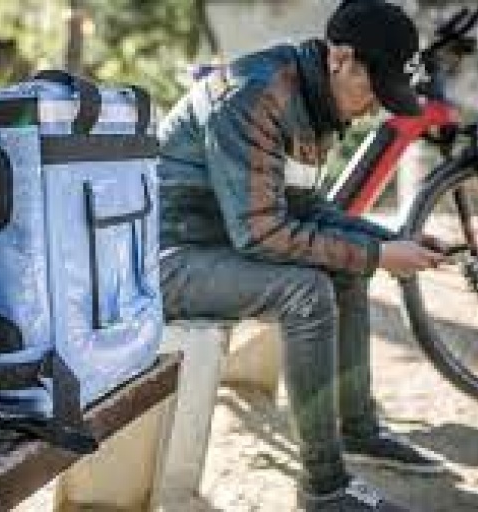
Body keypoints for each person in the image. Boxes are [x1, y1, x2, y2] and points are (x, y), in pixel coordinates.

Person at [158, 1, 448, 510]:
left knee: (347, 267)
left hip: (221, 247)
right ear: (340, 58)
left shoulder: (314, 99)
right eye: (373, 90)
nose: (375, 109)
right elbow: (262, 234)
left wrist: (391, 239)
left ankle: (358, 430)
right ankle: (324, 488)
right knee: (307, 291)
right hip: (171, 261)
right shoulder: (255, 96)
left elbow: (307, 208)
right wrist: (378, 253)